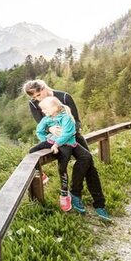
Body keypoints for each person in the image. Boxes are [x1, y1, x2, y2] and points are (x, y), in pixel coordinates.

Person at [23, 79, 111, 221]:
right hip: (54, 140)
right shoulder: (34, 104)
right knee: (63, 166)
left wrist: (64, 132)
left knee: (89, 165)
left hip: (73, 136)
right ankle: (71, 195)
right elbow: (42, 124)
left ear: (44, 88)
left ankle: (98, 204)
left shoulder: (64, 97)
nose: (37, 100)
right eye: (34, 98)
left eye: (38, 95)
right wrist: (50, 129)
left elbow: (76, 122)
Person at [29, 96, 76, 212]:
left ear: (55, 107)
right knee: (31, 152)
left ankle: (64, 194)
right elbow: (39, 130)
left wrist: (56, 144)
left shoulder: (66, 117)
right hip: (52, 141)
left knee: (62, 168)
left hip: (66, 144)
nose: (43, 112)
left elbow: (67, 134)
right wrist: (46, 139)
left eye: (45, 109)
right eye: (42, 109)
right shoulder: (47, 119)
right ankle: (42, 175)